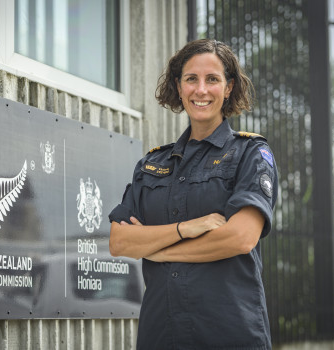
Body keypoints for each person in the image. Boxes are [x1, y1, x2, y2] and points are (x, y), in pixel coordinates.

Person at [108, 39, 278, 350]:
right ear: (179, 86)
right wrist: (186, 229)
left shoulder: (251, 153)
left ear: (228, 88)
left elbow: (239, 238)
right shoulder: (151, 164)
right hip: (162, 336)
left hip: (230, 336)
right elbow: (120, 242)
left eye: (212, 79)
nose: (201, 90)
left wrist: (159, 250)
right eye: (191, 79)